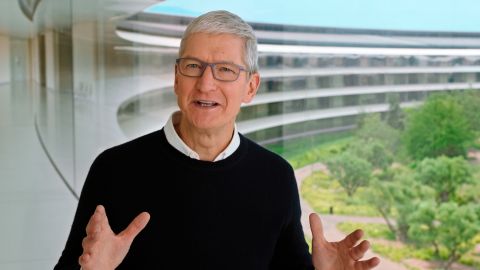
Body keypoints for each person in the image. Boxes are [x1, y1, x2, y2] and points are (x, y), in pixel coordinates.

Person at [54, 10, 380, 270]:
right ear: (176, 77)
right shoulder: (114, 169)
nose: (206, 84)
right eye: (193, 66)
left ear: (251, 87)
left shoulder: (275, 176)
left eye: (225, 69)